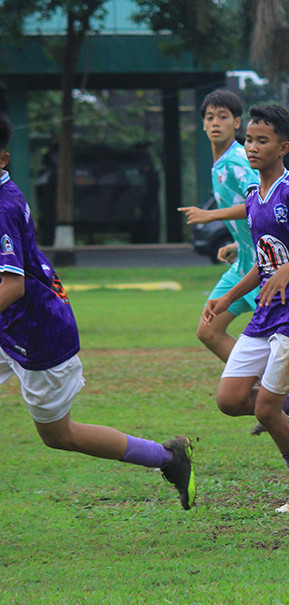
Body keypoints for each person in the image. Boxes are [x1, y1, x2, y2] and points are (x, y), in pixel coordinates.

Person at [0, 113, 195, 510]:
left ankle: (169, 458)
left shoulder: (3, 205)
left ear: (3, 158)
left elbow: (12, 285)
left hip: (38, 336)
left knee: (59, 436)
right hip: (9, 328)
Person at [178, 90, 289, 447]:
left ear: (236, 121)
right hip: (256, 266)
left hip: (282, 280)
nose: (216, 123)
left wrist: (212, 216)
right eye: (210, 117)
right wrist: (237, 245)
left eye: (223, 117)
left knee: (264, 371)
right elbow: (257, 214)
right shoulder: (231, 169)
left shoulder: (257, 173)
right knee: (219, 347)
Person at [202, 105, 289, 514]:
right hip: (268, 311)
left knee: (265, 406)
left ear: (283, 147)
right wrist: (227, 299)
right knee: (229, 399)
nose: (252, 147)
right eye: (249, 139)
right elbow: (264, 264)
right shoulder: (252, 197)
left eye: (262, 141)